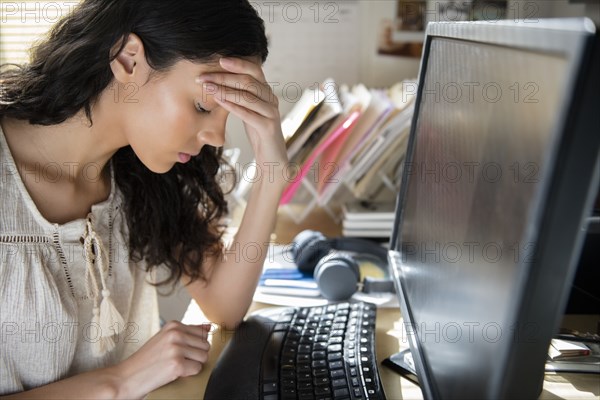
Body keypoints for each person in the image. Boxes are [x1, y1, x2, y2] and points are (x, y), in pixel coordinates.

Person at [0, 0, 287, 398]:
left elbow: (224, 306)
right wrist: (121, 381)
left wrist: (273, 174)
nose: (218, 137)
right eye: (204, 106)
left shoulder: (143, 174)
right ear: (129, 58)